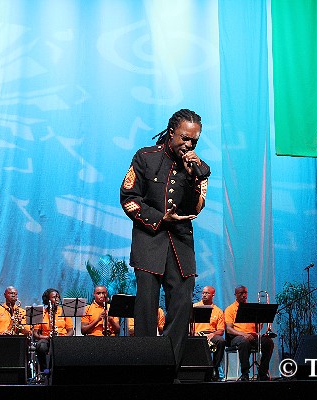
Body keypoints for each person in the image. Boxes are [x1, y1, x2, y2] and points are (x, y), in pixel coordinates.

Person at [120, 108, 211, 371]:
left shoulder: (200, 169)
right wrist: (160, 218)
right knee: (146, 308)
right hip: (150, 240)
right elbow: (128, 198)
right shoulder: (145, 157)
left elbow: (196, 207)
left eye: (194, 140)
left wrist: (192, 176)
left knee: (182, 306)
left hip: (181, 244)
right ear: (171, 133)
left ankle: (169, 367)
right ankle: (146, 369)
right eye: (185, 138)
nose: (189, 144)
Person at [225, 285, 274, 381]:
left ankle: (262, 373)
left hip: (252, 336)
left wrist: (261, 321)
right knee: (244, 342)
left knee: (268, 342)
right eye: (241, 293)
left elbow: (257, 329)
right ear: (236, 295)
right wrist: (244, 334)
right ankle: (245, 373)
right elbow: (229, 329)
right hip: (237, 336)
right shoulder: (230, 309)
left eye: (245, 293)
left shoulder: (252, 308)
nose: (244, 295)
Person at [32, 288, 74, 375]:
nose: (57, 299)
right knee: (41, 346)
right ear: (48, 300)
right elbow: (35, 333)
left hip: (62, 338)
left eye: (58, 297)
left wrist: (63, 338)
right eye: (54, 297)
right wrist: (46, 337)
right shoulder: (42, 313)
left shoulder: (64, 311)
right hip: (46, 338)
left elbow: (71, 331)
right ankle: (45, 370)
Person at [192, 285, 226, 381]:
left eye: (207, 293)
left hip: (211, 335)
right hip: (197, 334)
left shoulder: (218, 311)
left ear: (213, 295)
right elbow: (187, 325)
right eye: (203, 293)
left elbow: (221, 330)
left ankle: (215, 368)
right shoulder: (194, 307)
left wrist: (212, 334)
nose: (204, 295)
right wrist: (194, 333)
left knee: (221, 341)